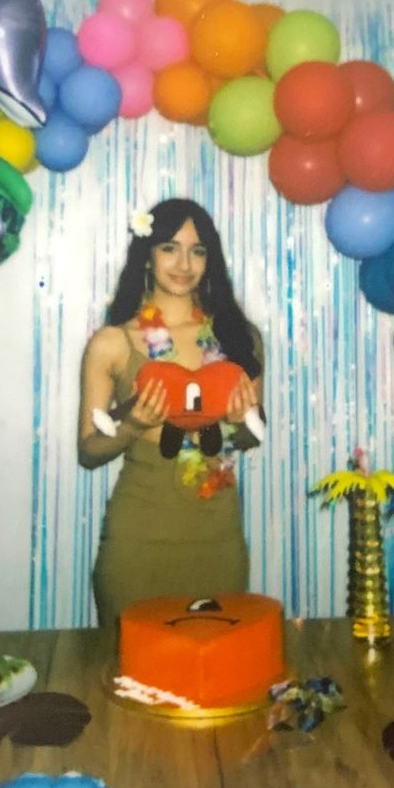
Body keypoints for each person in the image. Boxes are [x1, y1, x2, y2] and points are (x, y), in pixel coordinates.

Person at [78, 198, 264, 630]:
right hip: (138, 533)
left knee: (216, 665)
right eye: (169, 248)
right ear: (146, 255)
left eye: (197, 250)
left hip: (216, 531)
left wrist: (239, 425)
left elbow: (252, 435)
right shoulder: (112, 342)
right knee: (129, 675)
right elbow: (88, 450)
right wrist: (133, 426)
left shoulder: (238, 336)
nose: (184, 263)